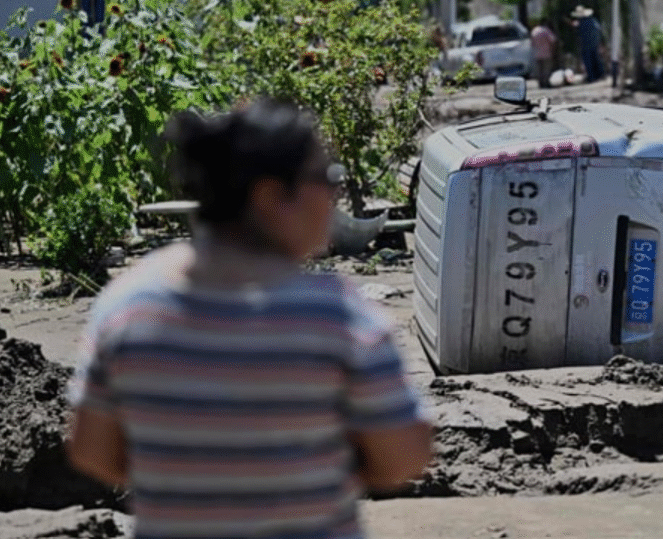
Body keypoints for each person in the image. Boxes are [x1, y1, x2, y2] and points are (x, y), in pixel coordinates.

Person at [65, 98, 433, 539]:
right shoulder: (335, 316)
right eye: (327, 178)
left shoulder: (128, 305)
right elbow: (403, 459)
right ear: (271, 197)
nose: (334, 195)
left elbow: (93, 453)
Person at [570, 5, 605, 83]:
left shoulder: (579, 23)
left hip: (585, 45)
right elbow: (599, 30)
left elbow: (577, 32)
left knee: (588, 61)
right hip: (595, 43)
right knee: (596, 59)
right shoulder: (593, 21)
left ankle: (592, 77)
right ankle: (600, 75)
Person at [530, 19, 557, 89]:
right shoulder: (546, 30)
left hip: (537, 53)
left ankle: (541, 83)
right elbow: (553, 40)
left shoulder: (534, 31)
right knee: (546, 69)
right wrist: (553, 50)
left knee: (539, 70)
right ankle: (546, 82)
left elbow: (532, 43)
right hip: (546, 53)